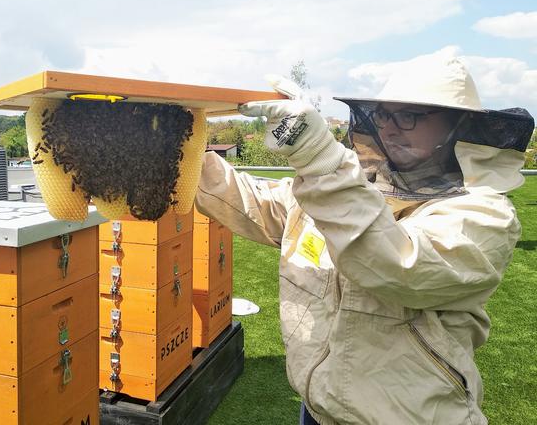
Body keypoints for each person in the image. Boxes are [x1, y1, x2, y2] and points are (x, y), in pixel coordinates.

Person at [194, 57, 534, 424]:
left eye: (410, 116)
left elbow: (398, 265)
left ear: (458, 124)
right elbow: (258, 204)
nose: (390, 129)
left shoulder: (485, 215)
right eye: (384, 115)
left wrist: (318, 158)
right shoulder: (357, 185)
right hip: (318, 409)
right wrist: (187, 156)